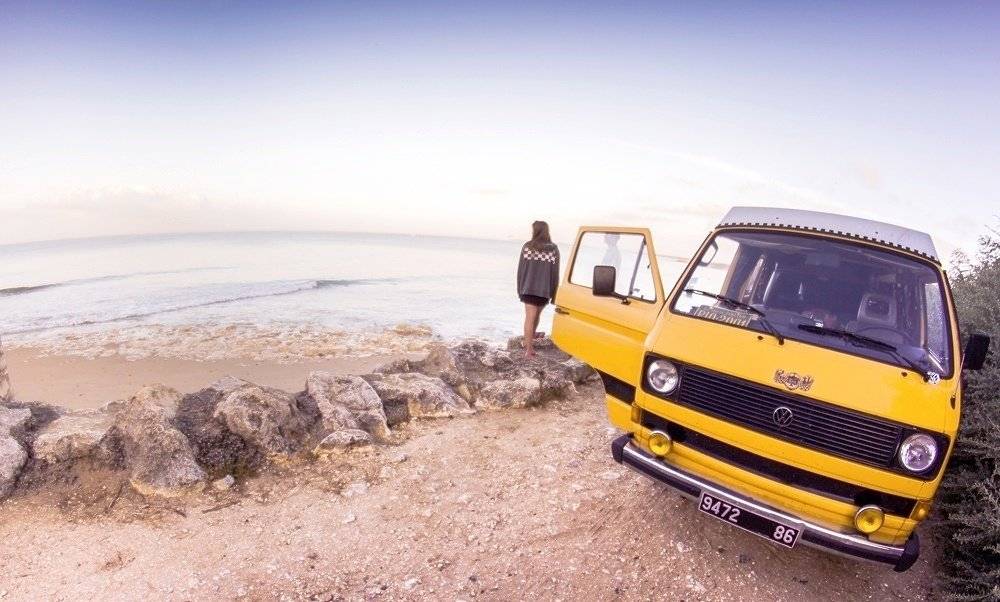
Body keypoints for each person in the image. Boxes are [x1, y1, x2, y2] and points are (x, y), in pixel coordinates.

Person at [516, 220, 560, 358]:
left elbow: (521, 270)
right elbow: (555, 272)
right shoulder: (553, 249)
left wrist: (520, 288)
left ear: (535, 231)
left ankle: (528, 349)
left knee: (529, 317)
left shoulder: (528, 247)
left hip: (528, 288)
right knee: (536, 316)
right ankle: (529, 343)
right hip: (544, 290)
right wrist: (554, 293)